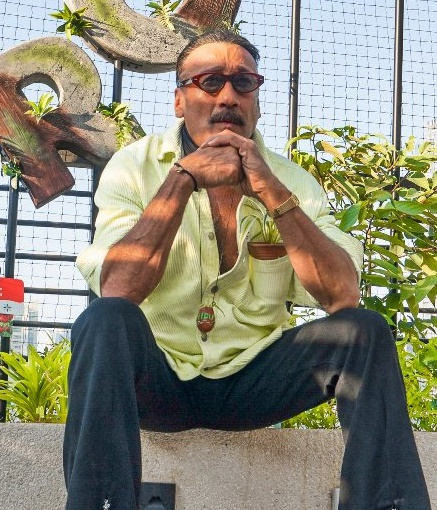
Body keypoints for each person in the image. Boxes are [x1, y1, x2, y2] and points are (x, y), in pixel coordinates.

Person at [63, 30, 431, 510]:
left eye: (243, 82)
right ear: (179, 100)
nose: (228, 96)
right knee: (104, 318)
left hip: (253, 380)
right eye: (209, 81)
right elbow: (118, 286)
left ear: (256, 100)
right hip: (157, 380)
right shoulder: (133, 167)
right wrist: (183, 179)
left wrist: (273, 193)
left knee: (364, 332)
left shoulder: (292, 181)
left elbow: (342, 295)